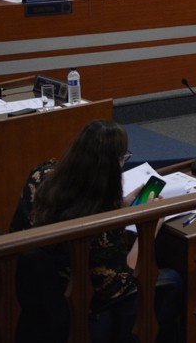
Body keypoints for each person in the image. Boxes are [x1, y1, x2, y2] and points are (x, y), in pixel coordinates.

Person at [11, 119, 183, 341]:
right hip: (86, 315)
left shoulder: (42, 176)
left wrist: (121, 205)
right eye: (122, 159)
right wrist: (149, 229)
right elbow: (122, 283)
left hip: (37, 296)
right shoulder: (95, 228)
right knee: (174, 281)